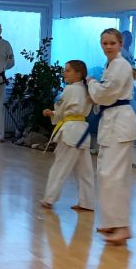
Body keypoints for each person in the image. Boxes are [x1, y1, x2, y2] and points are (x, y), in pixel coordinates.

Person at [90, 28, 136, 246]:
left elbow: (105, 94)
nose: (108, 47)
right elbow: (103, 96)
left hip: (120, 123)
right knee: (105, 174)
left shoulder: (121, 65)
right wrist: (96, 89)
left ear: (120, 44)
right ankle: (112, 222)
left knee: (114, 176)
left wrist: (91, 83)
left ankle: (122, 226)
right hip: (111, 122)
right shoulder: (111, 65)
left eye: (112, 43)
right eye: (105, 43)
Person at [40, 59, 95, 212]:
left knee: (60, 166)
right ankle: (87, 202)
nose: (65, 73)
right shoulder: (87, 90)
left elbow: (62, 109)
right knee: (85, 171)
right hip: (83, 131)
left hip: (71, 131)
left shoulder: (70, 89)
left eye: (68, 70)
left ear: (79, 74)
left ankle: (49, 198)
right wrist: (55, 113)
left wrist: (52, 113)